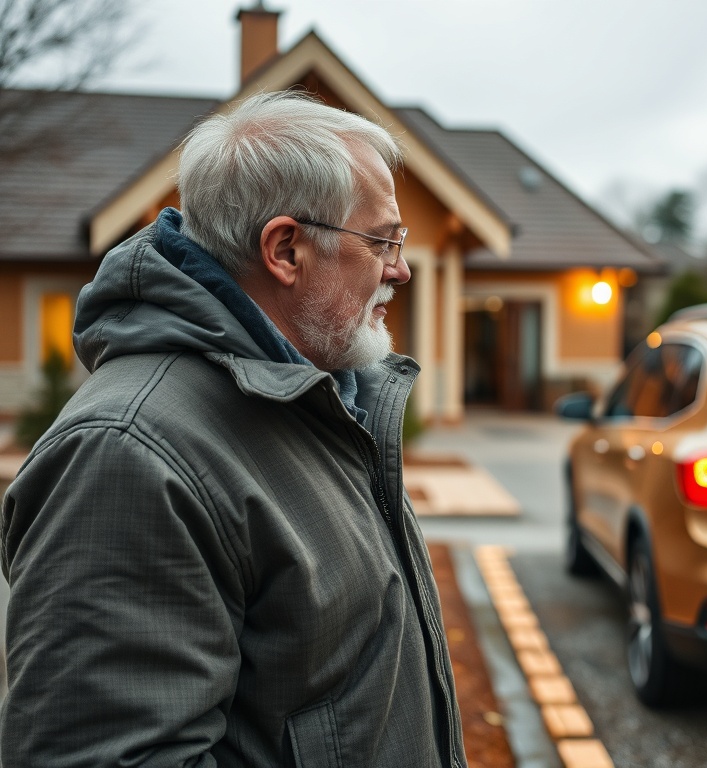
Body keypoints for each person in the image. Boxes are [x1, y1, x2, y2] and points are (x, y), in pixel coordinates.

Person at [0, 91, 467, 767]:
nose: (400, 268)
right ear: (286, 250)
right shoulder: (126, 454)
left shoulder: (312, 400)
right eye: (383, 240)